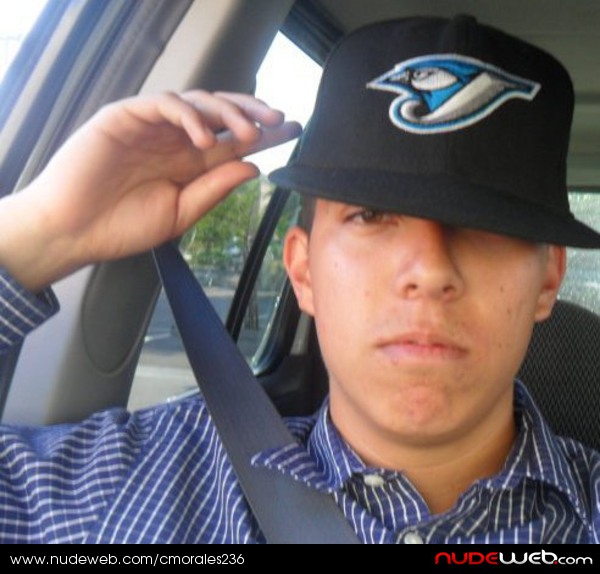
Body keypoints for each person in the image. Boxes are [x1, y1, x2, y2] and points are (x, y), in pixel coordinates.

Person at [0, 15, 599, 544]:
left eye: (488, 224)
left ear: (548, 279)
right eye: (371, 215)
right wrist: (40, 230)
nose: (429, 270)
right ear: (303, 270)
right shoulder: (126, 487)